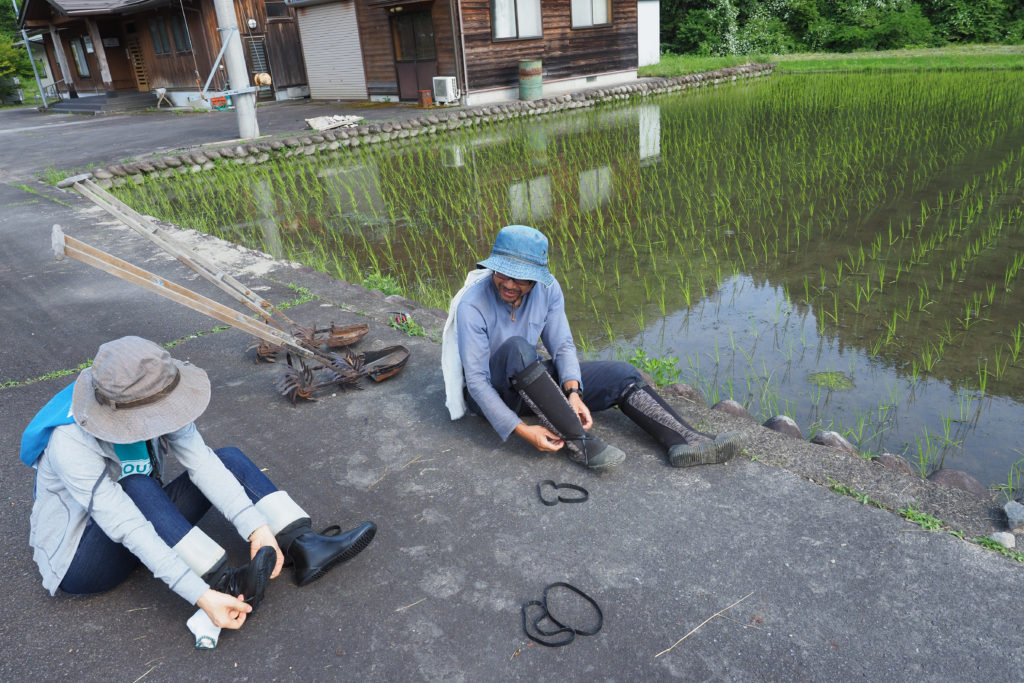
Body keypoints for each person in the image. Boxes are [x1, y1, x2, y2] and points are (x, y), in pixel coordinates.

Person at [21, 336, 376, 632]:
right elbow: (127, 525)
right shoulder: (69, 441)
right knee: (136, 485)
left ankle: (303, 544)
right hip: (82, 559)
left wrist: (257, 530)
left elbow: (202, 462)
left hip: (140, 512)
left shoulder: (150, 390)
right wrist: (200, 596)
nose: (160, 420)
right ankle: (225, 585)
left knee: (226, 458)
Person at [442, 225, 745, 472]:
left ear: (536, 277)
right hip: (493, 394)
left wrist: (573, 392)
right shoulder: (474, 304)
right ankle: (581, 444)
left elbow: (561, 345)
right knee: (517, 348)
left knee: (623, 374)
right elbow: (478, 383)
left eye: (520, 278)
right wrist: (523, 430)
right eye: (501, 273)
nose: (508, 284)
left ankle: (685, 441)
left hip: (528, 382)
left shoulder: (548, 290)